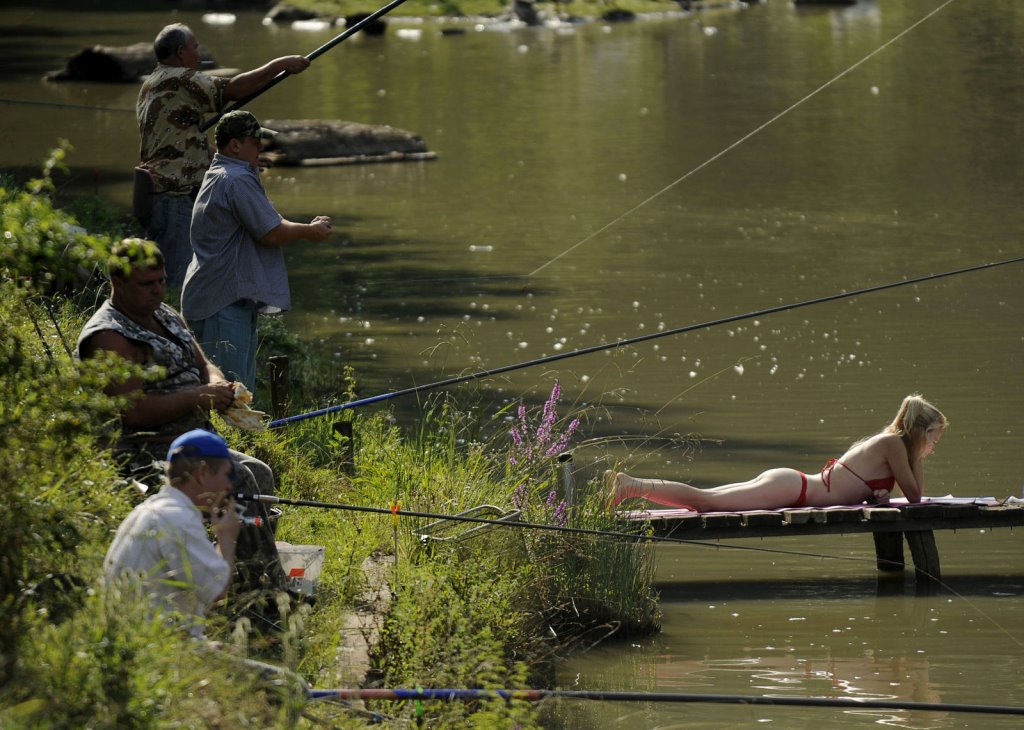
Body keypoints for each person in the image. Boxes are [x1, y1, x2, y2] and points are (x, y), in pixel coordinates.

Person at [77, 238, 286, 608]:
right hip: (145, 451)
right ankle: (259, 601)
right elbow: (133, 412)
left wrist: (218, 385)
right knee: (243, 480)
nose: (157, 290)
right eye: (146, 284)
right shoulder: (108, 336)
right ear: (118, 283)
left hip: (192, 440)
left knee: (261, 474)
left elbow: (202, 362)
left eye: (160, 280)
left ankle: (248, 580)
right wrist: (198, 397)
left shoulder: (164, 314)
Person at [137, 23, 312, 287]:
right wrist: (280, 64)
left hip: (156, 192)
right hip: (174, 195)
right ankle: (171, 324)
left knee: (166, 271)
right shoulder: (180, 79)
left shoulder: (151, 83)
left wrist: (240, 157)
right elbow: (233, 90)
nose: (199, 54)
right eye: (195, 48)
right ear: (181, 52)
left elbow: (181, 142)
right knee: (173, 279)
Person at [181, 110, 333, 393]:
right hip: (222, 303)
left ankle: (237, 438)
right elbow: (271, 233)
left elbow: (269, 223)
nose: (260, 147)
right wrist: (309, 231)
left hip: (216, 297)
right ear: (234, 145)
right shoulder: (237, 179)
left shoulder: (222, 173)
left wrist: (303, 226)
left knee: (233, 393)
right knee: (229, 396)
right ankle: (231, 439)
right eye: (254, 141)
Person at [608, 394, 948, 512]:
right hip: (795, 489)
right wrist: (918, 454)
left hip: (792, 484)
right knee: (704, 502)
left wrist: (878, 497)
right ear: (921, 431)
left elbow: (892, 492)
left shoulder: (890, 445)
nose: (935, 446)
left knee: (706, 497)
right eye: (934, 437)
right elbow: (916, 498)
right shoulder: (894, 444)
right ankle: (630, 486)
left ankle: (631, 485)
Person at [103, 429, 240, 639]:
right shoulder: (179, 519)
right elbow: (217, 591)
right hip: (156, 653)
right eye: (226, 475)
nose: (229, 485)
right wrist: (226, 537)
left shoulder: (149, 510)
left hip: (133, 642)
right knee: (282, 674)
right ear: (202, 474)